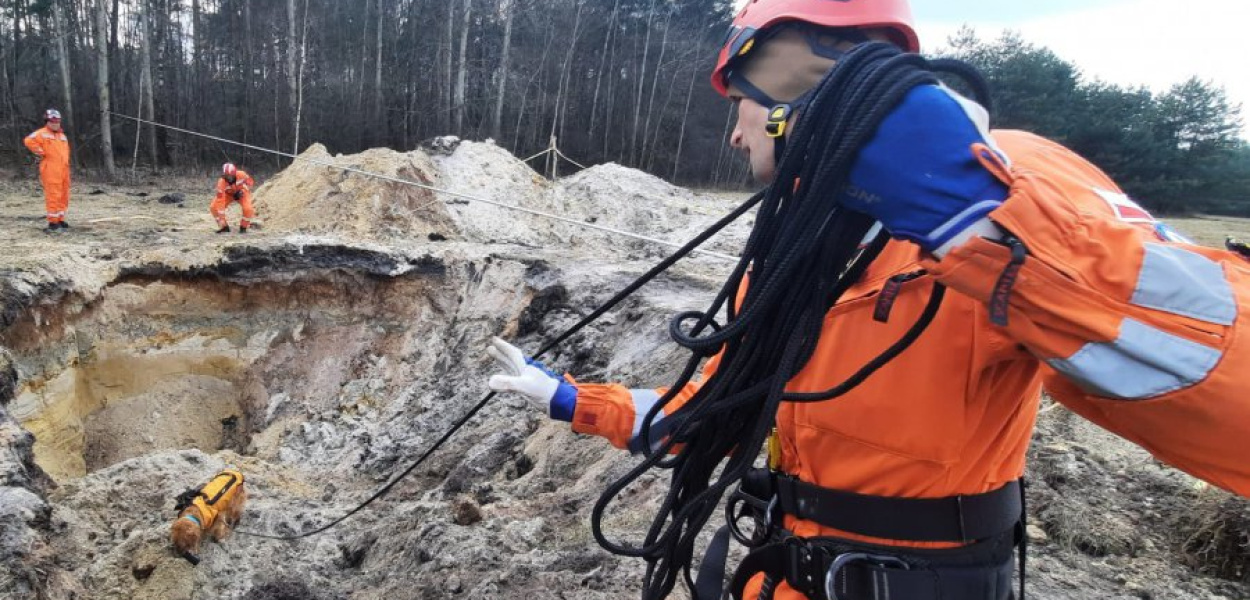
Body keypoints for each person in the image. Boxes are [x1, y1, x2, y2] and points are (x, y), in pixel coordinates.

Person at [487, 1, 1250, 599]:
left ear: (789, 90)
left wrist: (985, 225)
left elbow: (1225, 391)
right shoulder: (798, 252)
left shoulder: (1007, 181)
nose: (731, 138)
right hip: (783, 572)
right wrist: (573, 402)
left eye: (738, 108)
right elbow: (721, 418)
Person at [23, 109, 71, 232]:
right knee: (53, 195)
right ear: (47, 121)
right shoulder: (42, 133)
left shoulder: (62, 136)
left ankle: (60, 218)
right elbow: (28, 140)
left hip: (63, 169)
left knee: (63, 195)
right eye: (52, 121)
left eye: (57, 121)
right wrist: (40, 151)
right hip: (50, 169)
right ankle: (53, 223)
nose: (55, 123)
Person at [212, 162, 256, 233]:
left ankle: (243, 228)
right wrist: (221, 218)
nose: (228, 178)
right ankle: (224, 227)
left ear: (234, 173)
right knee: (213, 207)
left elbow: (250, 182)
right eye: (226, 176)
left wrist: (242, 190)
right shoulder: (221, 183)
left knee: (248, 209)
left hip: (241, 193)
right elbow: (220, 200)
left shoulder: (242, 174)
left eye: (230, 176)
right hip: (228, 194)